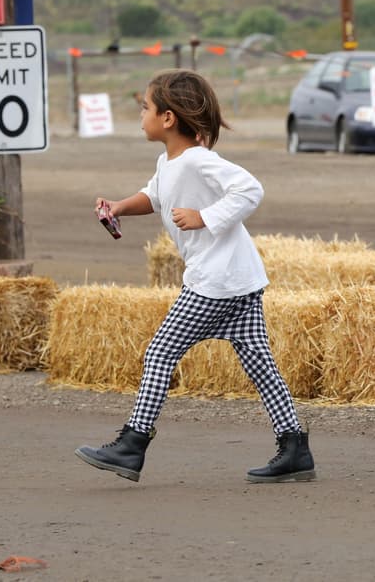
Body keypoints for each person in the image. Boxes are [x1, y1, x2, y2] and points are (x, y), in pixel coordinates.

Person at [74, 69, 315, 484]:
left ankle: (132, 445)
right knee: (259, 362)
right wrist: (117, 206)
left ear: (167, 118)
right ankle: (294, 447)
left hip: (214, 282)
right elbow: (154, 195)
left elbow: (250, 189)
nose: (141, 115)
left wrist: (206, 216)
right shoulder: (170, 162)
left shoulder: (199, 160)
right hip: (240, 279)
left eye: (145, 108)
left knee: (160, 352)